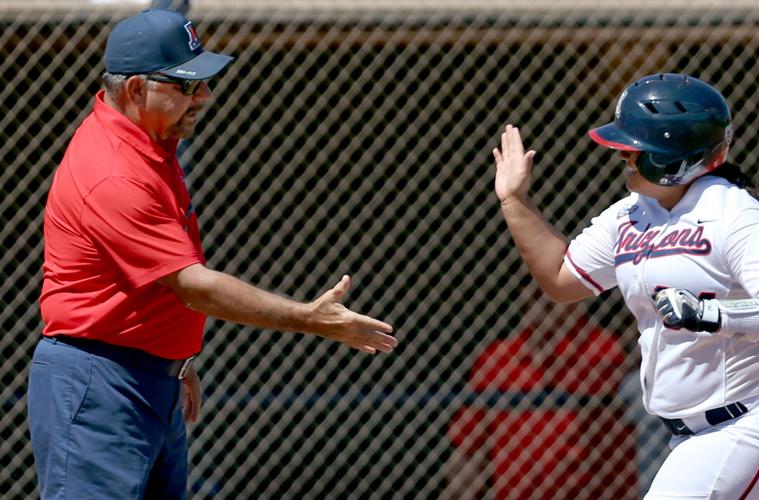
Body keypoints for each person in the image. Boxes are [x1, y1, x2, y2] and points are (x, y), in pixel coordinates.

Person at [28, 9, 397, 499]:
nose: (204, 96)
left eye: (204, 83)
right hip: (100, 383)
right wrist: (310, 318)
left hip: (142, 376)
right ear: (136, 89)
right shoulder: (113, 170)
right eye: (187, 85)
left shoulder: (149, 140)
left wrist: (176, 360)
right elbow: (193, 286)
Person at [491, 73, 759, 499]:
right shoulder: (630, 215)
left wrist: (711, 314)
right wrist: (514, 201)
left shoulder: (737, 215)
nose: (623, 155)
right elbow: (560, 279)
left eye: (637, 149)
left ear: (676, 158)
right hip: (694, 432)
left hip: (751, 420)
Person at [445, 284, 637, 499]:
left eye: (544, 284)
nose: (533, 293)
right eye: (527, 284)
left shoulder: (599, 349)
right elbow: (469, 447)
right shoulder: (499, 358)